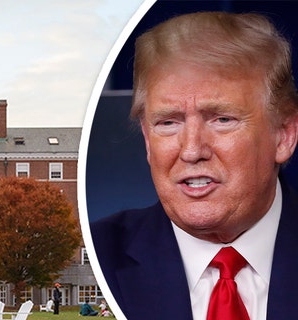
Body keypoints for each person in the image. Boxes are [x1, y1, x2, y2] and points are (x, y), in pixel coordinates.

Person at [90, 11, 298, 320]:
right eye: (168, 122)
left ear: (283, 134)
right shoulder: (101, 256)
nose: (191, 150)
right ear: (148, 140)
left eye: (222, 119)